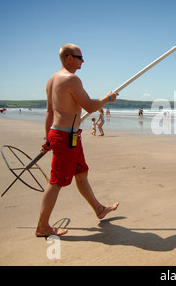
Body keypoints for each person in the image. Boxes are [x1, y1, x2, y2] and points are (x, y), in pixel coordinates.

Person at [36, 43, 119, 237]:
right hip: (65, 136)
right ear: (69, 58)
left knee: (81, 173)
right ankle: (43, 227)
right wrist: (108, 98)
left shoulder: (52, 80)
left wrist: (48, 137)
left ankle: (99, 208)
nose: (83, 61)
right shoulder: (71, 79)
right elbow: (90, 106)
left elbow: (50, 112)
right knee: (56, 181)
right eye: (79, 57)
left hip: (67, 135)